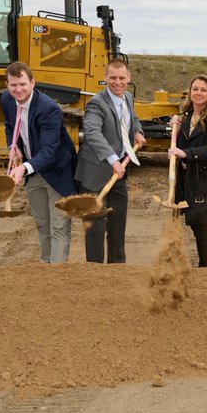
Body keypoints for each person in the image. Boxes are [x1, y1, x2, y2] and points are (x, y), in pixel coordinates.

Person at [0, 61, 78, 263]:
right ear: (6, 85)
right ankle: (45, 267)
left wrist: (23, 168)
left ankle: (56, 273)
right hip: (33, 171)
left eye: (23, 84)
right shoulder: (6, 100)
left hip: (57, 172)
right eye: (13, 85)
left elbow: (50, 151)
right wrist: (12, 146)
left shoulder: (48, 108)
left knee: (59, 225)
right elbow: (10, 126)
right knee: (42, 223)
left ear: (32, 83)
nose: (18, 90)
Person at [74, 59, 145, 264]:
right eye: (112, 78)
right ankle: (95, 272)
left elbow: (133, 117)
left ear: (128, 78)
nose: (117, 82)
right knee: (95, 227)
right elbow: (92, 132)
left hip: (119, 174)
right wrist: (113, 159)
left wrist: (138, 131)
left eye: (122, 78)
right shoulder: (97, 103)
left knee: (117, 224)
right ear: (105, 78)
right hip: (95, 174)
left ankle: (117, 271)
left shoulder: (128, 98)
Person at [171, 74, 207, 268]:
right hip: (190, 182)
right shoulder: (187, 116)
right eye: (195, 89)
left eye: (203, 90)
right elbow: (182, 144)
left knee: (205, 232)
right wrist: (176, 131)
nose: (198, 93)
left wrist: (184, 153)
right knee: (198, 230)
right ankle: (205, 268)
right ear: (190, 92)